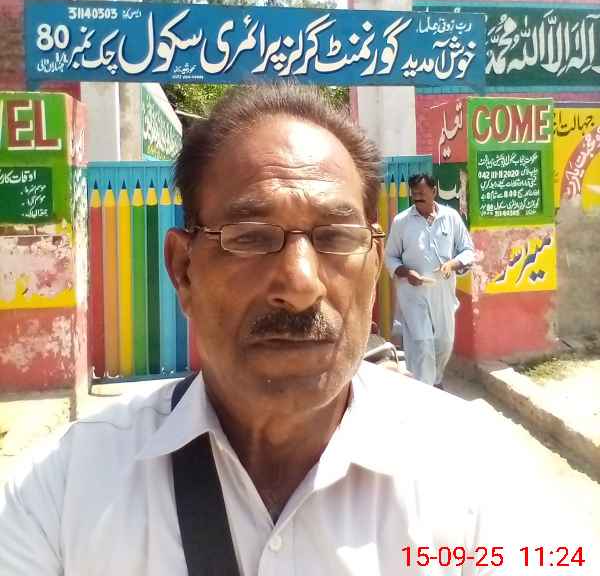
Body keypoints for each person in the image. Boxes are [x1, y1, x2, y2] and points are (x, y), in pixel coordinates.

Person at [0, 85, 581, 575]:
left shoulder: (476, 472)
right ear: (183, 270)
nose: (300, 284)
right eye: (250, 237)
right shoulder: (61, 494)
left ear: (371, 266)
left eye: (336, 238)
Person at [384, 173, 474, 388]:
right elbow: (390, 257)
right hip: (413, 292)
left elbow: (468, 251)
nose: (417, 197)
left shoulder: (451, 217)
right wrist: (406, 273)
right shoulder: (402, 221)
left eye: (422, 193)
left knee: (444, 341)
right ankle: (425, 389)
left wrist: (452, 264)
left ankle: (436, 380)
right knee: (422, 343)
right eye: (414, 194)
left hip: (443, 292)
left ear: (434, 191)